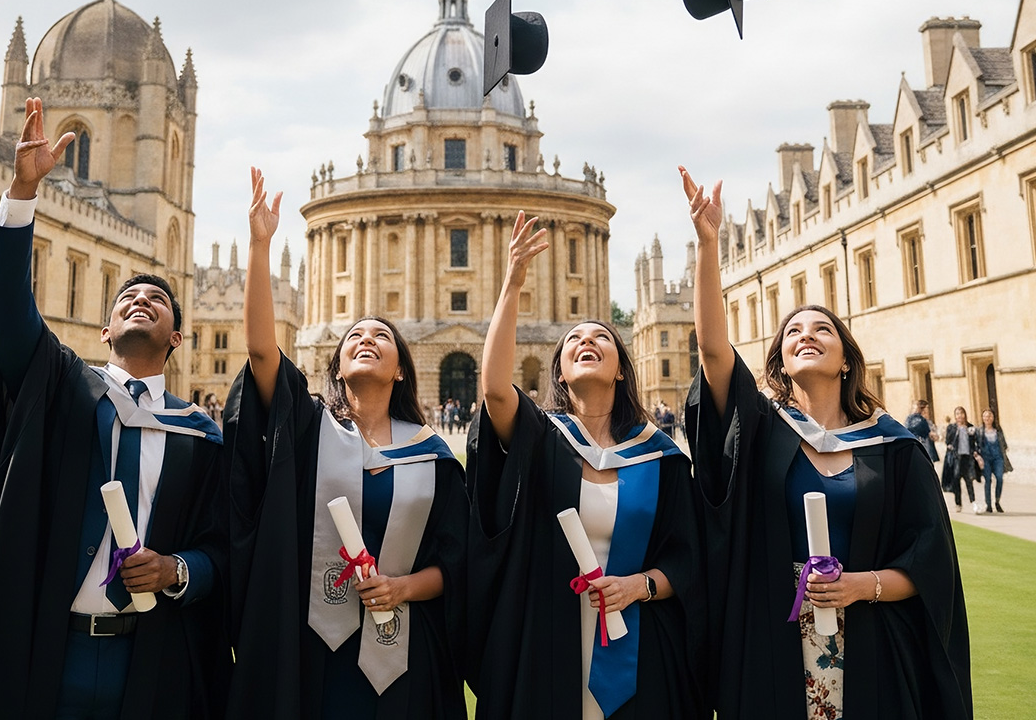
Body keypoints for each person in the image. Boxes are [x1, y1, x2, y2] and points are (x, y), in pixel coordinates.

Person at [0, 98, 226, 720]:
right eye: (128, 298)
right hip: (49, 647)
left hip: (149, 660)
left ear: (177, 338)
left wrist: (177, 568)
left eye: (158, 300)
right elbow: (8, 318)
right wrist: (22, 192)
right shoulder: (66, 389)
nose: (142, 300)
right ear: (103, 332)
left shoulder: (198, 434)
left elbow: (223, 545)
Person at [679, 167, 971, 720]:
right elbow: (715, 353)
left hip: (870, 647)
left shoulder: (893, 448)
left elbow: (930, 560)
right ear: (780, 362)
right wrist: (708, 245)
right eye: (792, 332)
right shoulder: (763, 431)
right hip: (774, 646)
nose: (805, 335)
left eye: (821, 330)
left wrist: (862, 586)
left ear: (845, 360)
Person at [223, 167, 468, 720]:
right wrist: (260, 247)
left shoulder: (432, 455)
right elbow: (263, 351)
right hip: (313, 645)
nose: (365, 339)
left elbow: (455, 563)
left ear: (402, 370)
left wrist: (403, 587)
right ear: (335, 365)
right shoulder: (311, 430)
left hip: (402, 653)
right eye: (354, 335)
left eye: (381, 335)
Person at [467, 212, 705, 720]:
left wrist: (639, 586)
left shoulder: (659, 456)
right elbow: (492, 388)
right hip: (549, 640)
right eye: (573, 340)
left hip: (641, 647)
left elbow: (687, 558)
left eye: (601, 337)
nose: (586, 341)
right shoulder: (542, 441)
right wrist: (512, 282)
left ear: (622, 368)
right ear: (559, 371)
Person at [942, 406, 980, 514]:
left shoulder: (970, 427)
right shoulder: (952, 427)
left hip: (967, 458)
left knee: (969, 480)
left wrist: (975, 452)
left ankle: (973, 502)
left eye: (962, 413)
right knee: (956, 479)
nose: (960, 416)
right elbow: (948, 441)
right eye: (957, 414)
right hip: (956, 458)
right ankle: (958, 503)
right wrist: (950, 445)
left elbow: (974, 442)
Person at [976, 408, 1011, 513]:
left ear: (993, 418)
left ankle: (997, 501)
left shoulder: (998, 431)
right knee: (988, 480)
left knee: (999, 478)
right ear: (982, 418)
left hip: (997, 458)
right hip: (985, 458)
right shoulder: (980, 431)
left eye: (989, 416)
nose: (987, 418)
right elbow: (976, 445)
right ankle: (989, 504)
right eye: (985, 416)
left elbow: (1003, 444)